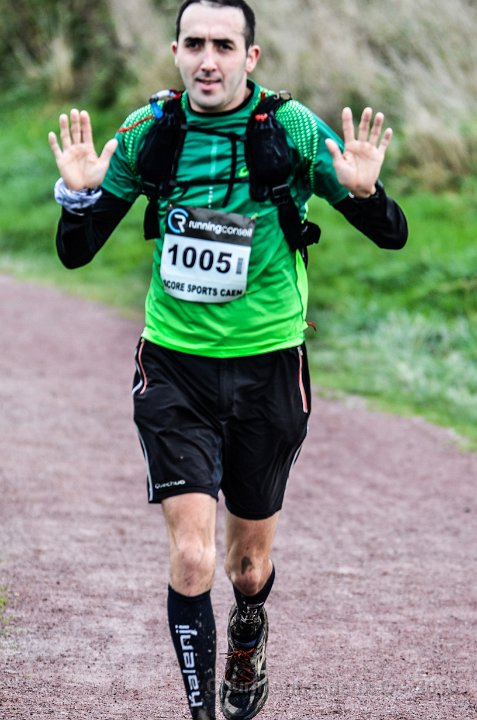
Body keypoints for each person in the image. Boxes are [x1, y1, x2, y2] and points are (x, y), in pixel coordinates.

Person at [48, 1, 408, 718]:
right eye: (194, 45)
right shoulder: (149, 131)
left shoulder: (291, 128)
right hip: (173, 365)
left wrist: (366, 195)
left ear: (251, 57)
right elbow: (75, 252)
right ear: (175, 53)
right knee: (192, 557)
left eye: (222, 45)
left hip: (268, 366)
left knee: (246, 567)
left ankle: (248, 632)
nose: (207, 60)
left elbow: (391, 236)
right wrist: (78, 198)